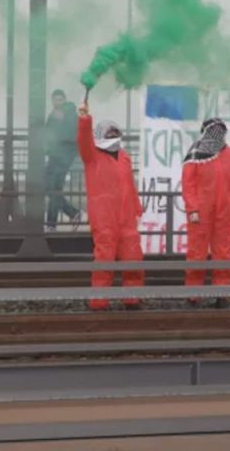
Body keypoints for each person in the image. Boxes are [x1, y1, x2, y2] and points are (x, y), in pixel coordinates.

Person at [77, 103, 144, 310]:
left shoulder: (124, 156)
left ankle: (132, 299)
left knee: (133, 258)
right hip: (104, 216)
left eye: (116, 133)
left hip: (126, 217)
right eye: (110, 133)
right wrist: (84, 120)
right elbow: (83, 140)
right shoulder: (92, 156)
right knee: (104, 259)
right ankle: (99, 301)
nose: (114, 136)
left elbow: (129, 184)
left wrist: (136, 207)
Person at [182, 118, 230, 301]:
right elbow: (189, 184)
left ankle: (222, 294)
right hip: (200, 213)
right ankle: (193, 295)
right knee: (196, 253)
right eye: (214, 131)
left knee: (224, 253)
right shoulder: (194, 155)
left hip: (224, 211)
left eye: (220, 131)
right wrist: (192, 208)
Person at [45, 89, 80, 229]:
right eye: (55, 99)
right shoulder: (53, 115)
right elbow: (48, 134)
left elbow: (71, 135)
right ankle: (70, 214)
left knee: (52, 188)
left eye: (60, 99)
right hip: (55, 156)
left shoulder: (71, 114)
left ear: (64, 100)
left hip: (64, 157)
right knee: (53, 189)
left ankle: (53, 223)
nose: (57, 102)